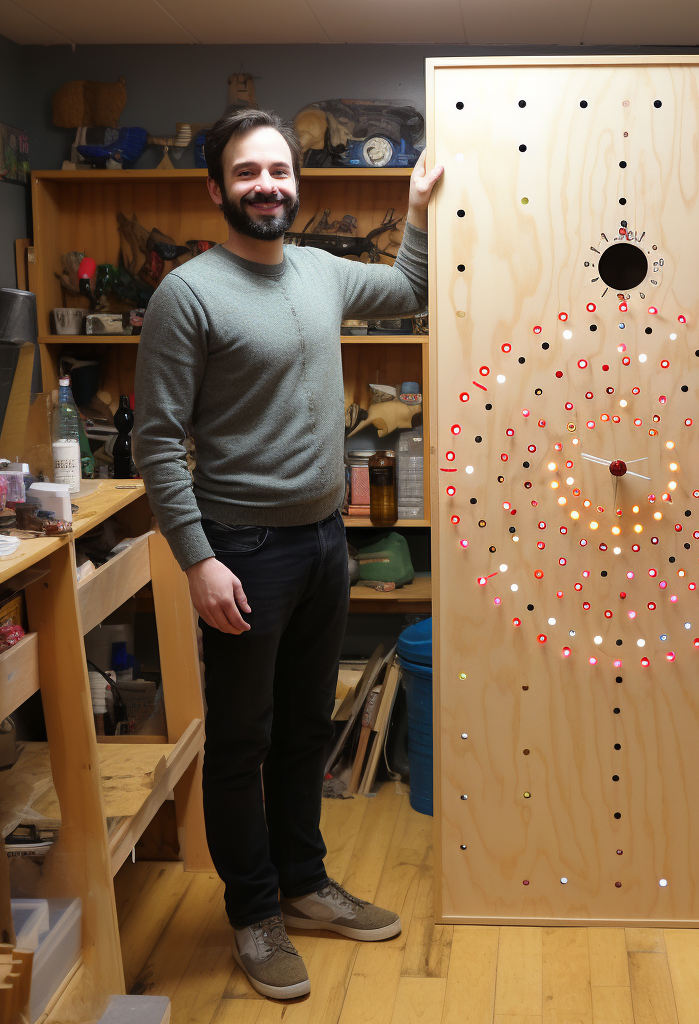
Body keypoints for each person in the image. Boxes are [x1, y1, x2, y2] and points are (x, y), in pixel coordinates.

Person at [134, 107, 441, 1000]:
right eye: (246, 173)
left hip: (322, 541)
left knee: (308, 727)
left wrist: (414, 205)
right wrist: (198, 559)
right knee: (243, 741)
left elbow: (408, 288)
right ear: (216, 188)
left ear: (296, 182)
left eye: (278, 170)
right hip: (243, 550)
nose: (266, 185)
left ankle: (305, 886)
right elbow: (157, 445)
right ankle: (255, 914)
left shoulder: (320, 272)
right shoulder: (186, 296)